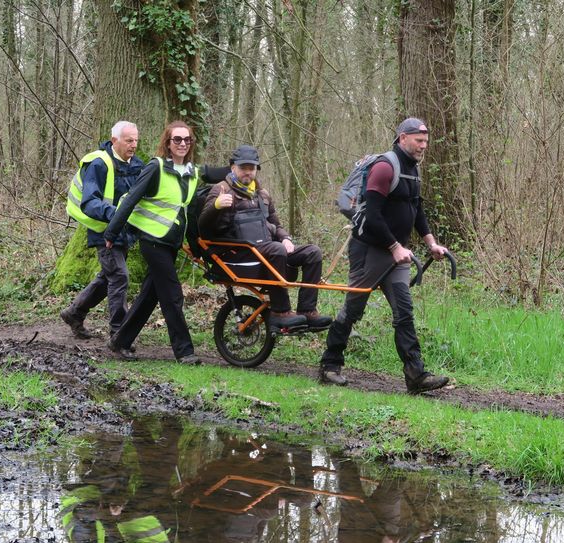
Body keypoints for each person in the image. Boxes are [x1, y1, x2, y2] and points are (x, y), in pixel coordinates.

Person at [319, 118, 450, 394]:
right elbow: (374, 215)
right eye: (419, 140)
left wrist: (431, 243)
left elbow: (417, 209)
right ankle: (329, 366)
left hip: (397, 254)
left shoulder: (413, 170)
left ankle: (415, 375)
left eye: (426, 141)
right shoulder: (384, 167)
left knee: (404, 312)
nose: (423, 146)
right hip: (370, 250)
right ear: (403, 138)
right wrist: (395, 247)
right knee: (353, 310)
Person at [103, 120, 227, 363]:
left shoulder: (192, 173)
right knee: (172, 294)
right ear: (168, 144)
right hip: (152, 240)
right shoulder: (156, 167)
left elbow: (191, 209)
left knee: (150, 295)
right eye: (177, 140)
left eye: (186, 140)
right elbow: (130, 200)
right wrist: (112, 233)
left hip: (172, 243)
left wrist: (240, 166)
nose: (182, 144)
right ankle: (185, 351)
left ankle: (120, 341)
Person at [198, 144, 332, 331]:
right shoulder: (221, 191)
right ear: (233, 167)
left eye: (251, 168)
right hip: (238, 254)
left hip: (266, 250)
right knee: (276, 249)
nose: (248, 172)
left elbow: (275, 224)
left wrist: (285, 238)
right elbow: (202, 227)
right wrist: (216, 206)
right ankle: (280, 312)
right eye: (243, 168)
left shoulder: (262, 194)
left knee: (312, 252)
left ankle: (307, 310)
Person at [60, 121, 144, 342]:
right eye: (129, 140)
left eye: (136, 140)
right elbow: (90, 202)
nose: (134, 145)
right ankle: (119, 333)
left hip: (125, 231)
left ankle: (74, 313)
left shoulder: (137, 165)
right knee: (119, 276)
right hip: (103, 230)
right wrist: (115, 216)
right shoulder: (99, 163)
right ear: (114, 140)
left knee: (107, 278)